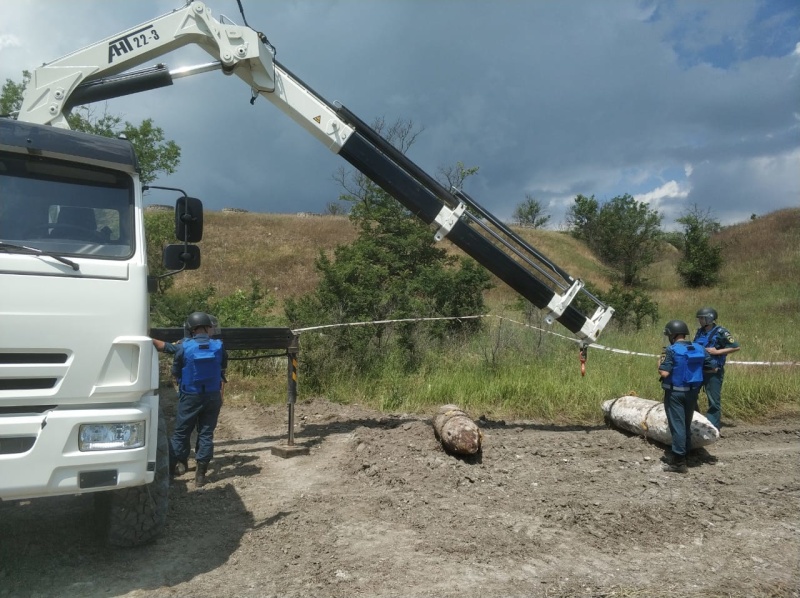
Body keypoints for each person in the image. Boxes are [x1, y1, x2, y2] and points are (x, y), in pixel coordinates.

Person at [152, 311, 227, 487]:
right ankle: (200, 475)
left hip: (190, 396)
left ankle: (173, 471)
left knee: (181, 433)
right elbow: (222, 368)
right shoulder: (219, 346)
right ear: (207, 328)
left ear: (191, 329)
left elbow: (175, 370)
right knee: (206, 433)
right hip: (212, 396)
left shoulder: (184, 346)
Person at [658, 320, 717, 473]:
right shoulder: (699, 347)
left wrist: (659, 363)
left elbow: (664, 373)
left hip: (675, 393)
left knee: (677, 426)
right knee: (686, 423)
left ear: (672, 335)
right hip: (692, 392)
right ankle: (688, 454)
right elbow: (713, 368)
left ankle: (679, 462)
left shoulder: (671, 350)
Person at [693, 307, 740, 430]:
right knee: (691, 395)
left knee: (713, 400)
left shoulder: (721, 332)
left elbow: (735, 347)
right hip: (699, 370)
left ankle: (712, 428)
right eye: (699, 318)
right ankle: (695, 421)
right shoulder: (700, 332)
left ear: (709, 318)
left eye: (702, 318)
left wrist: (717, 351)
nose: (699, 320)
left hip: (713, 371)